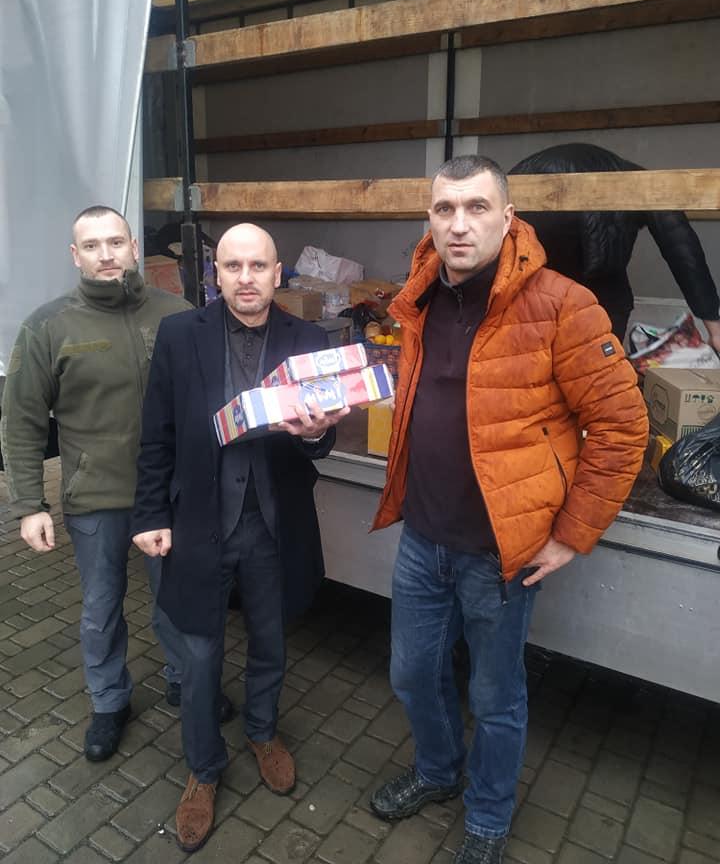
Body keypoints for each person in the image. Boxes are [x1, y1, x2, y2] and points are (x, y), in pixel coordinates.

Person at [369, 156, 648, 864]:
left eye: (477, 207)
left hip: (502, 553)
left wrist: (572, 535)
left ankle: (489, 820)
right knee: (411, 673)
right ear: (430, 219)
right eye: (445, 209)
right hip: (423, 537)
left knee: (496, 696)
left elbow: (622, 426)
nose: (459, 224)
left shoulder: (563, 304)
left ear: (508, 216)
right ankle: (438, 771)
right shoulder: (419, 294)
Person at [131, 222, 349, 854]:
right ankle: (203, 768)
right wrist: (149, 515)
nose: (246, 278)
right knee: (199, 656)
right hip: (199, 522)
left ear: (277, 274)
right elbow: (156, 432)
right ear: (216, 276)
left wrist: (316, 432)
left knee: (270, 641)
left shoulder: (307, 339)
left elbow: (323, 440)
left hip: (273, 523)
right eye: (233, 266)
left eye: (258, 266)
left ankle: (261, 730)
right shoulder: (180, 335)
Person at [0, 205, 196, 762]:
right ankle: (110, 702)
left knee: (177, 600)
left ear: (134, 247)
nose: (106, 255)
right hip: (95, 498)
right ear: (75, 255)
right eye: (92, 246)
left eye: (115, 242)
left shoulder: (177, 314)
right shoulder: (49, 325)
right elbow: (21, 419)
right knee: (102, 608)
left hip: (168, 494)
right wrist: (29, 504)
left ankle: (185, 680)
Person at [509, 142, 720, 346]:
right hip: (558, 227)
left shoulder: (636, 184)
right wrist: (714, 328)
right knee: (605, 308)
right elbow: (681, 247)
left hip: (523, 197)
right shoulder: (642, 185)